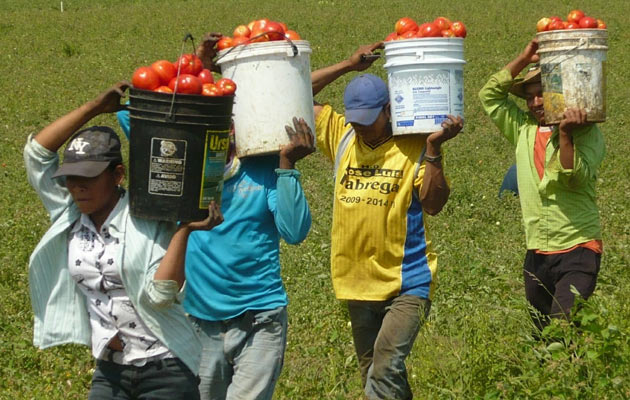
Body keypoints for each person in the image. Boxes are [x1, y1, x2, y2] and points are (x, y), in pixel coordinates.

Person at [117, 34, 315, 400]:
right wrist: (196, 67)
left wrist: (287, 166)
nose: (221, 139)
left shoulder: (264, 168)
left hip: (261, 318)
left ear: (238, 129)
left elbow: (295, 230)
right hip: (198, 322)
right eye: (210, 130)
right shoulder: (182, 172)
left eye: (227, 129)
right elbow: (137, 119)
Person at [24, 81, 223, 400]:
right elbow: (36, 154)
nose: (78, 188)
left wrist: (184, 230)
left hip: (166, 369)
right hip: (110, 369)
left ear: (117, 175)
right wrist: (94, 108)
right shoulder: (69, 213)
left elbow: (160, 296)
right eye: (71, 179)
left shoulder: (147, 216)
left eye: (89, 177)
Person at [311, 43, 463, 400]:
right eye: (356, 121)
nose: (362, 129)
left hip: (406, 283)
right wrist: (347, 64)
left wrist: (435, 150)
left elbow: (435, 204)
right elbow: (294, 91)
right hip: (356, 282)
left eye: (370, 120)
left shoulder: (413, 146)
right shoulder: (343, 136)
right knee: (376, 376)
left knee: (384, 368)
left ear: (390, 109)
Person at [478, 39, 606, 331]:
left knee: (563, 328)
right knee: (542, 334)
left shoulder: (587, 133)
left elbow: (574, 177)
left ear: (560, 93)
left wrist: (565, 135)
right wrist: (523, 58)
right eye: (530, 97)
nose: (536, 102)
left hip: (578, 248)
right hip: (537, 251)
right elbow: (489, 96)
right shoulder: (523, 128)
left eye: (543, 94)